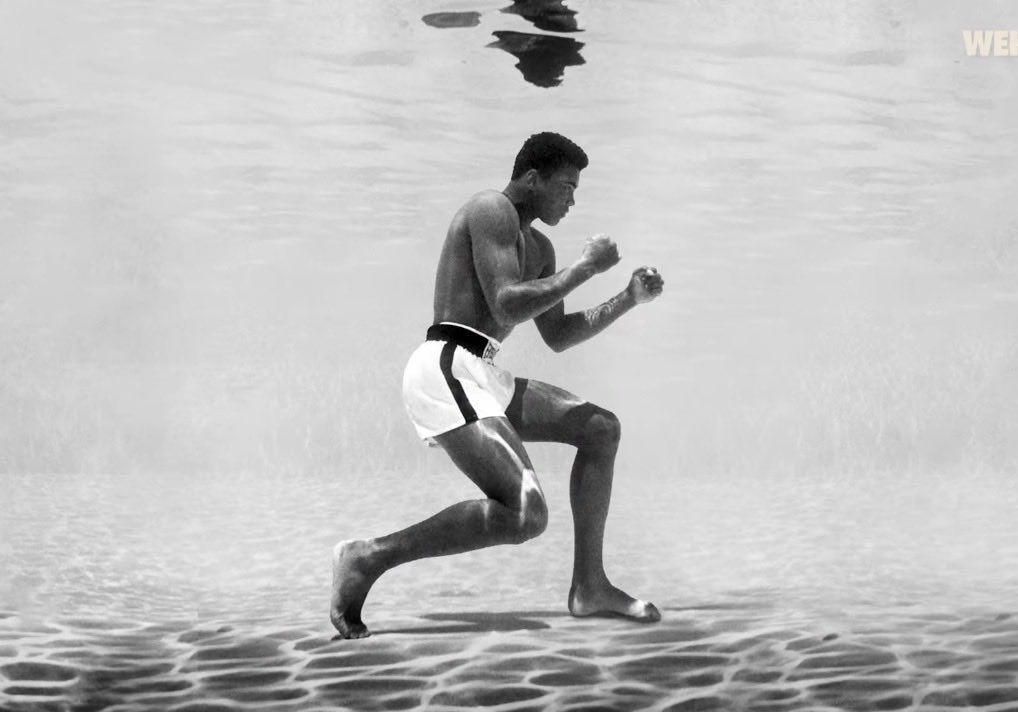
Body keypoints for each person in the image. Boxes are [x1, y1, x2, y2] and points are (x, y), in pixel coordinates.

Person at [331, 132, 665, 639]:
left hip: (484, 371)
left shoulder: (539, 247)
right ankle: (368, 557)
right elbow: (507, 302)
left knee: (600, 429)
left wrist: (626, 297)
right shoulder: (491, 209)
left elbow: (559, 334)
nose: (572, 200)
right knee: (527, 514)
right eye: (566, 187)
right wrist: (585, 268)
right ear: (532, 179)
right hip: (445, 364)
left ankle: (590, 586)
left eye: (576, 191)